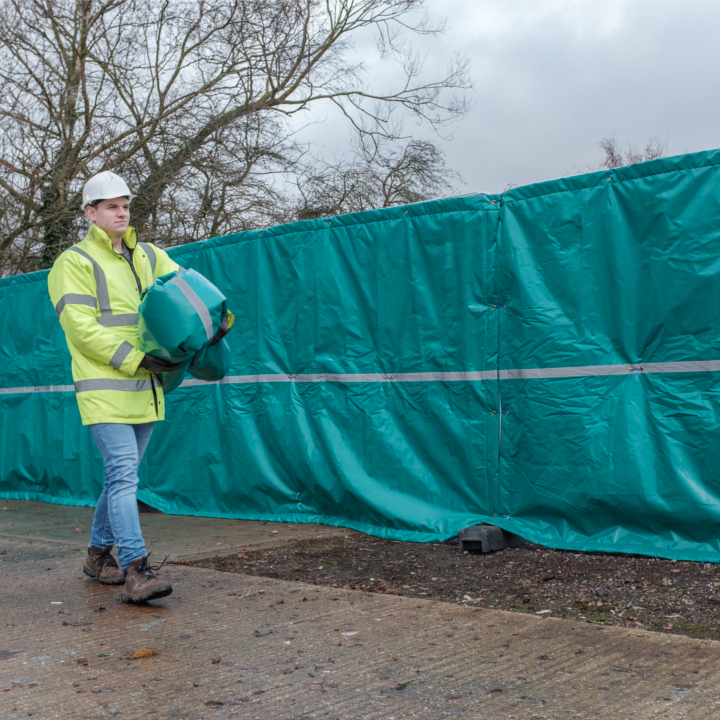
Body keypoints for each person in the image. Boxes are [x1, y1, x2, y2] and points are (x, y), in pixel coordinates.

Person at [47, 171, 219, 603]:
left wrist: (214, 322)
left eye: (125, 204)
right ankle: (136, 569)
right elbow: (81, 328)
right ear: (91, 213)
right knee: (124, 475)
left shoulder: (148, 255)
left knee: (120, 478)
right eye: (111, 206)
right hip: (106, 386)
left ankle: (96, 556)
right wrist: (137, 357)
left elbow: (188, 292)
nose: (121, 212)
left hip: (147, 387)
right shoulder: (74, 262)